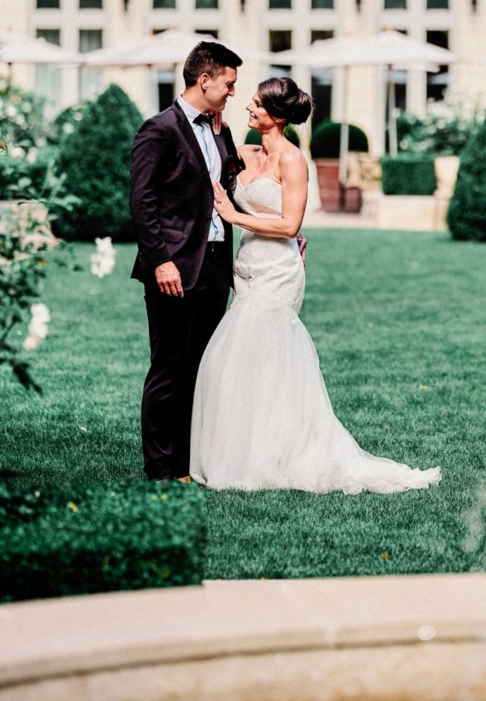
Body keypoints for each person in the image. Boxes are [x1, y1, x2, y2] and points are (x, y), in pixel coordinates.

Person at [190, 75, 441, 494]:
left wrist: (235, 217)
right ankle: (245, 451)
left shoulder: (292, 161)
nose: (248, 108)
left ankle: (275, 457)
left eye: (256, 104)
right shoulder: (244, 153)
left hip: (279, 272)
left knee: (258, 357)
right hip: (246, 267)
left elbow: (290, 224)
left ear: (277, 115)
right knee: (240, 363)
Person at [129, 41, 243, 482]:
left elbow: (228, 192)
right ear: (205, 80)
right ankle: (161, 468)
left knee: (201, 368)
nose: (233, 91)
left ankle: (187, 462)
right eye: (229, 84)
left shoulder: (221, 131)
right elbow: (143, 202)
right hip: (173, 268)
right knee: (169, 368)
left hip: (215, 264)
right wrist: (160, 261)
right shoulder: (157, 130)